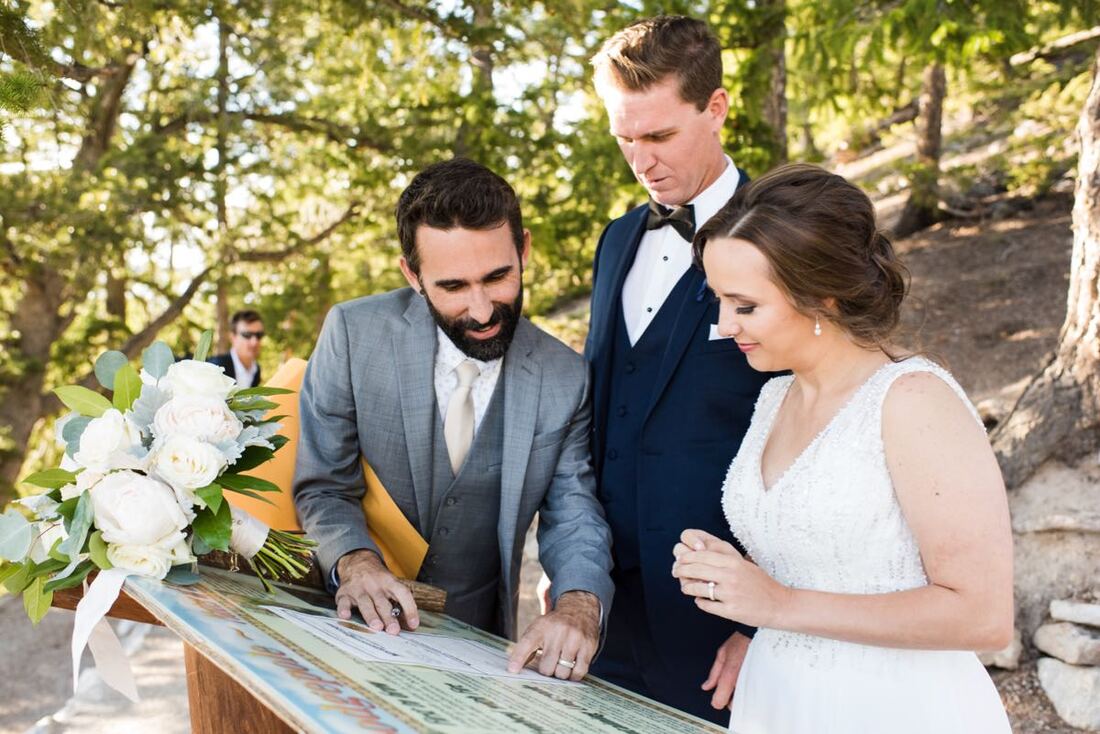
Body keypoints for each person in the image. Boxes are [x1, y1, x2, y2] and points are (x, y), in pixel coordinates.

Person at [672, 163, 1014, 732]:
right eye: (719, 301)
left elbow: (983, 614)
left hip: (893, 709)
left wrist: (778, 607)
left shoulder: (913, 402)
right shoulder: (773, 398)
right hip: (779, 700)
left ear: (823, 298)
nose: (724, 325)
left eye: (745, 305)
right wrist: (734, 580)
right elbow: (819, 559)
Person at [293, 158, 613, 682]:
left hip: (479, 646)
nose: (483, 310)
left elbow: (574, 514)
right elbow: (323, 486)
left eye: (498, 277)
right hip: (342, 629)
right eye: (454, 287)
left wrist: (579, 606)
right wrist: (357, 563)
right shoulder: (353, 334)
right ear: (412, 275)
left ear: (524, 249)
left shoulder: (566, 377)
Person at [583, 15, 775, 722]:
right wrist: (577, 583)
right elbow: (603, 415)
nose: (641, 160)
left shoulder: (784, 234)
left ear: (716, 107)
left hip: (724, 626)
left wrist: (768, 623)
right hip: (607, 617)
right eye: (624, 138)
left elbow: (821, 429)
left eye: (659, 136)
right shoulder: (615, 241)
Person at [209, 310, 264, 387]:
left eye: (259, 335)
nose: (254, 342)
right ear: (233, 337)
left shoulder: (256, 369)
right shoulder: (217, 367)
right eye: (247, 335)